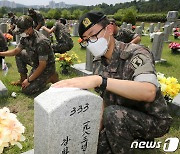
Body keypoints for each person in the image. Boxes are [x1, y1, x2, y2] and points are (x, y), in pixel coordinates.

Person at [52, 11, 172, 153]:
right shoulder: (99, 62)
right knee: (92, 147)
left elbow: (149, 91)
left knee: (113, 115)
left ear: (109, 29)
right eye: (86, 39)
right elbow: (105, 100)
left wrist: (100, 80)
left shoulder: (136, 53)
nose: (91, 42)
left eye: (93, 35)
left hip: (152, 119)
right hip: (118, 116)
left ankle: (141, 142)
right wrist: (96, 131)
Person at [0, 15, 58, 95]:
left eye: (22, 31)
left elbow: (42, 65)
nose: (21, 33)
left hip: (46, 67)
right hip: (35, 61)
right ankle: (22, 79)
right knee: (19, 54)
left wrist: (29, 80)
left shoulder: (41, 41)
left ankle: (51, 76)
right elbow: (16, 51)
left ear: (30, 28)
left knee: (26, 90)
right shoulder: (25, 36)